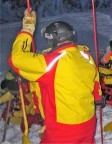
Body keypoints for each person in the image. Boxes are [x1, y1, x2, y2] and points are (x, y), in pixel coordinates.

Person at [8, 10, 103, 143]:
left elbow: (16, 59)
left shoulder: (49, 62)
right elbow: (95, 81)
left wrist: (27, 30)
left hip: (63, 130)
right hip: (88, 123)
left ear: (53, 40)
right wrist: (98, 97)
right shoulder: (85, 56)